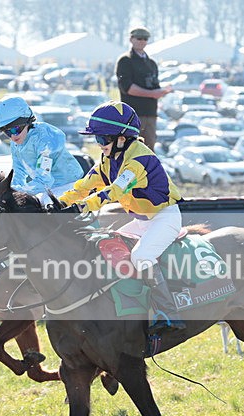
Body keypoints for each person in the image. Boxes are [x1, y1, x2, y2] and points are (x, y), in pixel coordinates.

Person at [59, 101, 185, 335]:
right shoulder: (108, 159)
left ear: (122, 138)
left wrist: (84, 206)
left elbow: (116, 190)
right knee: (109, 245)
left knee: (140, 256)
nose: (99, 145)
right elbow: (84, 186)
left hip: (165, 218)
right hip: (143, 221)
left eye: (102, 140)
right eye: (96, 140)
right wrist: (60, 203)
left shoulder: (139, 160)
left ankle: (168, 313)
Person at [0, 96, 83, 206]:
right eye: (7, 132)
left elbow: (44, 179)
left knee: (46, 206)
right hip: (46, 188)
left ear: (27, 121)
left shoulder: (45, 139)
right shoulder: (15, 143)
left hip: (69, 185)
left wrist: (19, 192)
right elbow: (18, 171)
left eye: (15, 129)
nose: (12, 136)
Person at [115, 27, 173, 151]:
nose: (142, 41)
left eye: (145, 39)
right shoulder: (125, 61)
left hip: (150, 113)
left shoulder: (151, 63)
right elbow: (128, 88)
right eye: (139, 38)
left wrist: (162, 92)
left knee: (149, 149)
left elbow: (154, 86)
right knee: (130, 149)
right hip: (133, 115)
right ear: (131, 39)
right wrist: (152, 94)